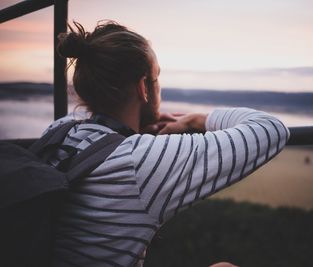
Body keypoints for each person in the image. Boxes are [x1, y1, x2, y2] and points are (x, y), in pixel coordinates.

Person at [49, 20, 290, 267]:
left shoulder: (59, 131)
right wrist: (198, 119)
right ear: (144, 88)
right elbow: (270, 129)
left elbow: (91, 118)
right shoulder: (138, 159)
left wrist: (134, 127)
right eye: (157, 78)